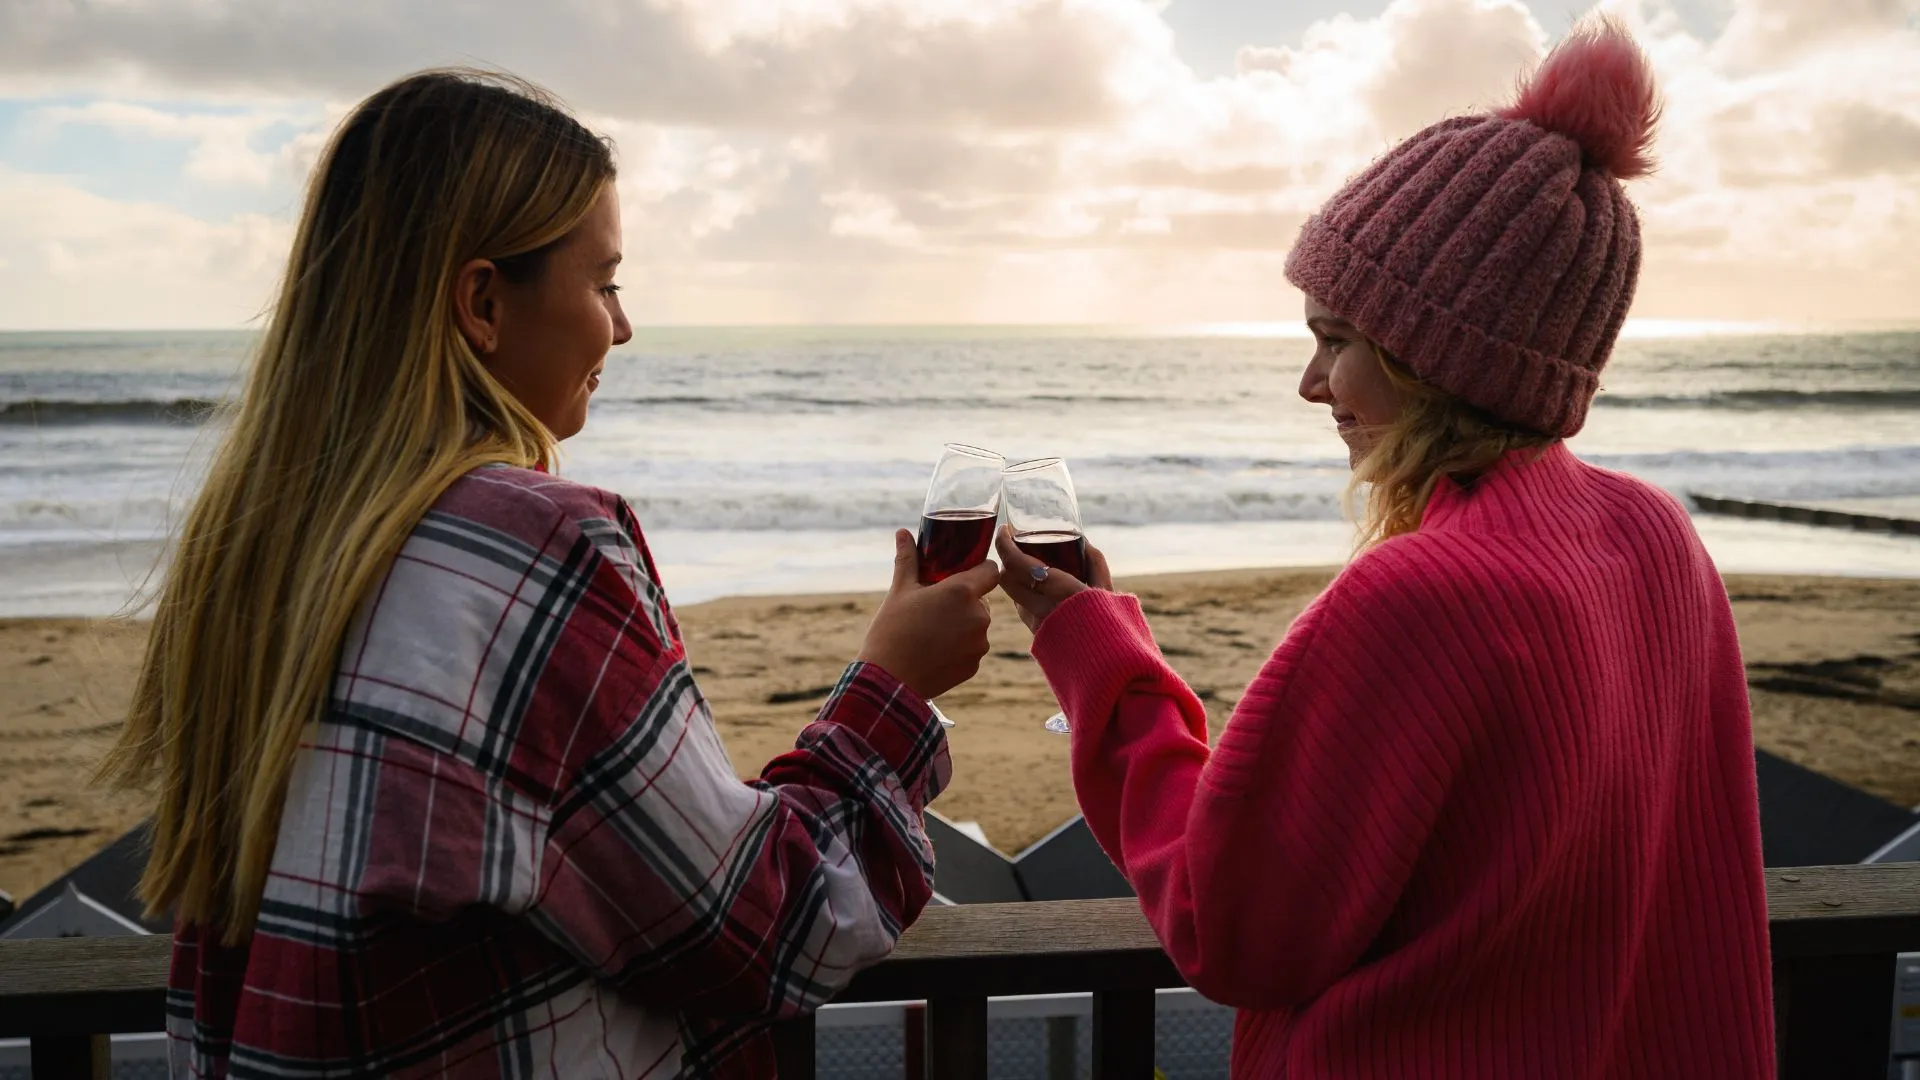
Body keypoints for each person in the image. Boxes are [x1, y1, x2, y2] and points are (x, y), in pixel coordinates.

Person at [99, 70, 998, 1079]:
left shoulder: (258, 553)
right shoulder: (532, 552)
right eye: (605, 281)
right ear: (483, 301)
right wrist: (890, 688)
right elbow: (762, 925)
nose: (621, 327)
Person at [994, 19, 1774, 1078]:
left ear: (1434, 360)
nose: (1312, 386)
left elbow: (1229, 925)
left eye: (1336, 342)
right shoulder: (1657, 537)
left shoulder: (1421, 596)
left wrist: (1100, 663)